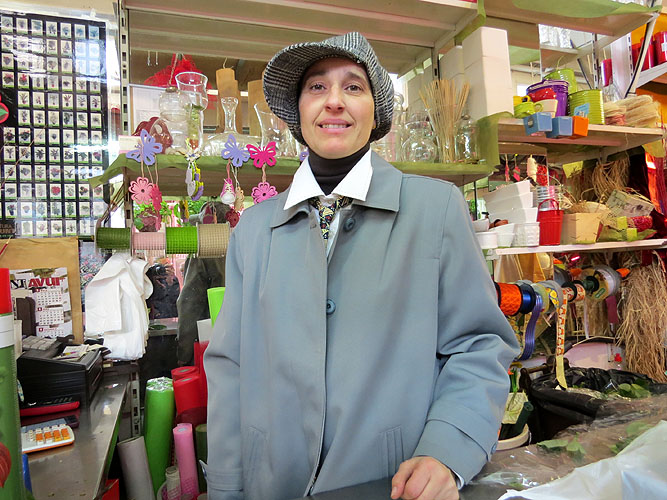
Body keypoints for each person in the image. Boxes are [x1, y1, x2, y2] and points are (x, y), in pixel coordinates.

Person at [204, 32, 519, 500]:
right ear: (297, 112)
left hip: (389, 483)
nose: (334, 100)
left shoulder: (434, 209)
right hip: (271, 482)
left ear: (377, 112)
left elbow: (478, 344)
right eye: (316, 87)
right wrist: (227, 487)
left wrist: (447, 450)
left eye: (353, 87)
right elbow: (230, 366)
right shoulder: (253, 229)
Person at [176, 201, 229, 365]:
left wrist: (184, 354)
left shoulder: (203, 253)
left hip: (208, 342)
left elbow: (190, 305)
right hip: (239, 339)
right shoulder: (242, 248)